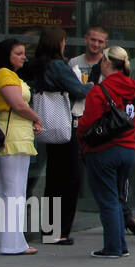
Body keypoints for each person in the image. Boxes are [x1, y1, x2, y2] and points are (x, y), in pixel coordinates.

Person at [70, 26, 135, 236]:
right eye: (92, 40)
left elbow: (87, 121)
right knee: (117, 196)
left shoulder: (100, 89)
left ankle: (114, 246)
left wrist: (82, 139)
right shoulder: (133, 87)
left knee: (108, 200)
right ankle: (120, 244)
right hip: (128, 147)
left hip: (104, 148)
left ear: (107, 63)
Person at [22, 27, 89, 245]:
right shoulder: (58, 66)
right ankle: (60, 232)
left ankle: (49, 229)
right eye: (63, 40)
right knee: (70, 179)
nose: (65, 44)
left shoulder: (35, 65)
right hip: (63, 127)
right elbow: (79, 91)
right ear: (58, 43)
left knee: (53, 179)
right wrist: (90, 85)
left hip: (45, 125)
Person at [0, 38, 42, 255]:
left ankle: (6, 242)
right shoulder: (5, 74)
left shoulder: (8, 75)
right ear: (7, 55)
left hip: (13, 134)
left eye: (23, 53)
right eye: (18, 53)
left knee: (6, 189)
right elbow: (18, 104)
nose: (23, 57)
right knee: (14, 190)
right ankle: (12, 243)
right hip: (13, 135)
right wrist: (37, 118)